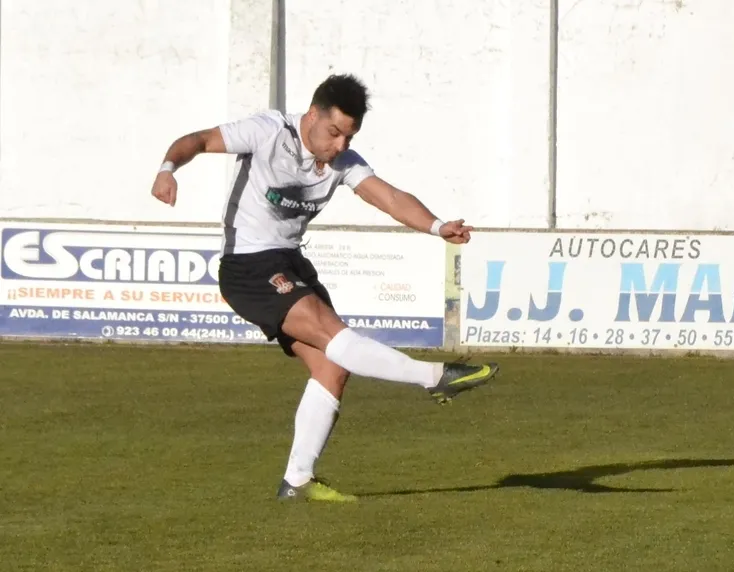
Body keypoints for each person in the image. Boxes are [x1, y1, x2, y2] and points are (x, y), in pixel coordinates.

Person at [150, 73, 499, 502]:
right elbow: (198, 140)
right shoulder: (267, 131)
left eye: (349, 137)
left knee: (332, 367)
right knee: (334, 335)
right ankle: (434, 377)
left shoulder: (343, 162)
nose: (340, 145)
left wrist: (437, 226)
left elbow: (389, 197)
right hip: (248, 265)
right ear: (313, 115)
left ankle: (297, 480)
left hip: (291, 261)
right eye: (334, 132)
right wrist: (168, 170)